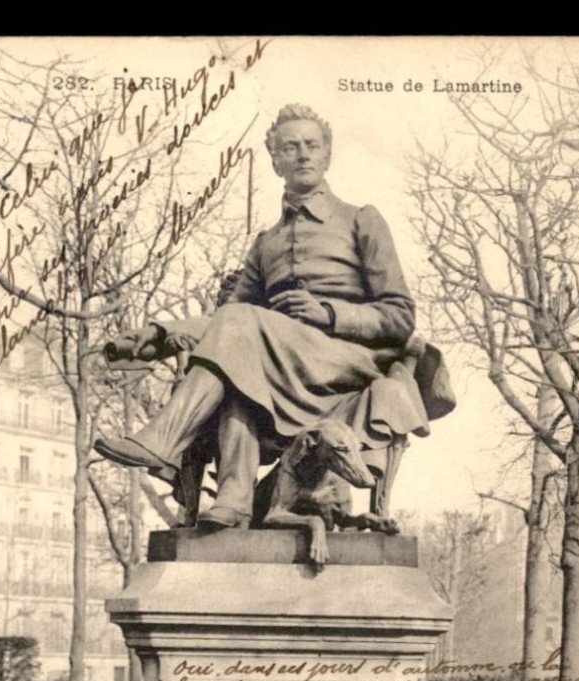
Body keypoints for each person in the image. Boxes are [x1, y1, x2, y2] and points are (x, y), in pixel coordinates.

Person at [94, 104, 433, 527]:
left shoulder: (361, 220)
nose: (304, 155)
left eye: (312, 146)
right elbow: (225, 326)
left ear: (327, 155)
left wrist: (328, 313)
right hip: (281, 366)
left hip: (347, 362)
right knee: (236, 364)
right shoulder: (265, 243)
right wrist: (160, 334)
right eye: (291, 148)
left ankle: (164, 438)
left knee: (241, 325)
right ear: (276, 161)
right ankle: (234, 502)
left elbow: (401, 316)